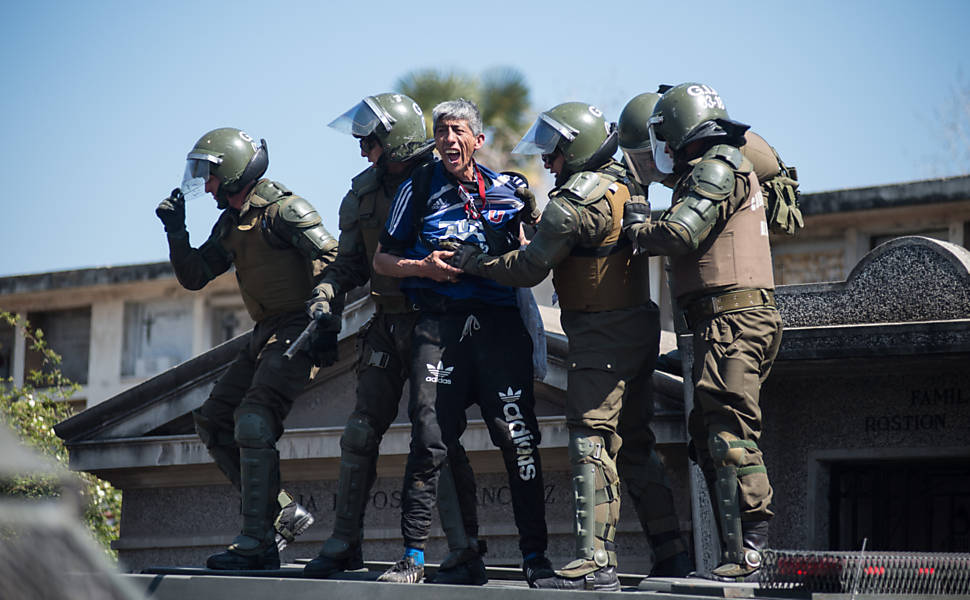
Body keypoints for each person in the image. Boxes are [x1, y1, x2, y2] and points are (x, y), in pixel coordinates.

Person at [447, 102, 691, 590]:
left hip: (600, 336)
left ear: (575, 149)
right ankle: (672, 553)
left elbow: (528, 269)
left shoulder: (573, 200)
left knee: (589, 438)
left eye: (554, 154)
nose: (547, 163)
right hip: (638, 325)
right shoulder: (623, 181)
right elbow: (574, 242)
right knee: (637, 443)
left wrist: (473, 261)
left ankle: (594, 563)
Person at [301, 93, 481, 584]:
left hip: (437, 322)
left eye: (372, 142)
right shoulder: (359, 195)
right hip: (386, 322)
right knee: (360, 431)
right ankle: (343, 543)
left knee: (435, 434)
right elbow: (347, 266)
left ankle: (464, 549)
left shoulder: (444, 182)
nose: (364, 152)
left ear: (396, 139)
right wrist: (323, 298)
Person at [373, 98, 552, 587]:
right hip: (439, 325)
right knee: (429, 440)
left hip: (499, 327)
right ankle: (412, 557)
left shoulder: (508, 188)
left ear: (478, 140)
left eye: (457, 131)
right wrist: (425, 267)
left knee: (518, 441)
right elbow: (382, 261)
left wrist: (528, 225)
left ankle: (535, 558)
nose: (448, 139)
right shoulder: (418, 185)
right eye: (441, 132)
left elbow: (535, 252)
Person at [620, 83, 783, 581]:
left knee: (730, 437)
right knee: (711, 437)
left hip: (733, 321)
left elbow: (682, 233)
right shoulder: (718, 165)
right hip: (721, 321)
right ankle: (734, 555)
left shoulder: (716, 166)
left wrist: (638, 228)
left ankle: (749, 556)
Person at [154, 128, 338, 570]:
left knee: (253, 419)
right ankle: (281, 512)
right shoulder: (232, 224)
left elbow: (333, 258)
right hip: (265, 333)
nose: (208, 185)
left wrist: (324, 302)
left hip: (299, 328)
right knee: (214, 421)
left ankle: (256, 542)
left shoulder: (285, 210)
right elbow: (196, 275)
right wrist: (176, 232)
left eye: (212, 175)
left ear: (235, 170)